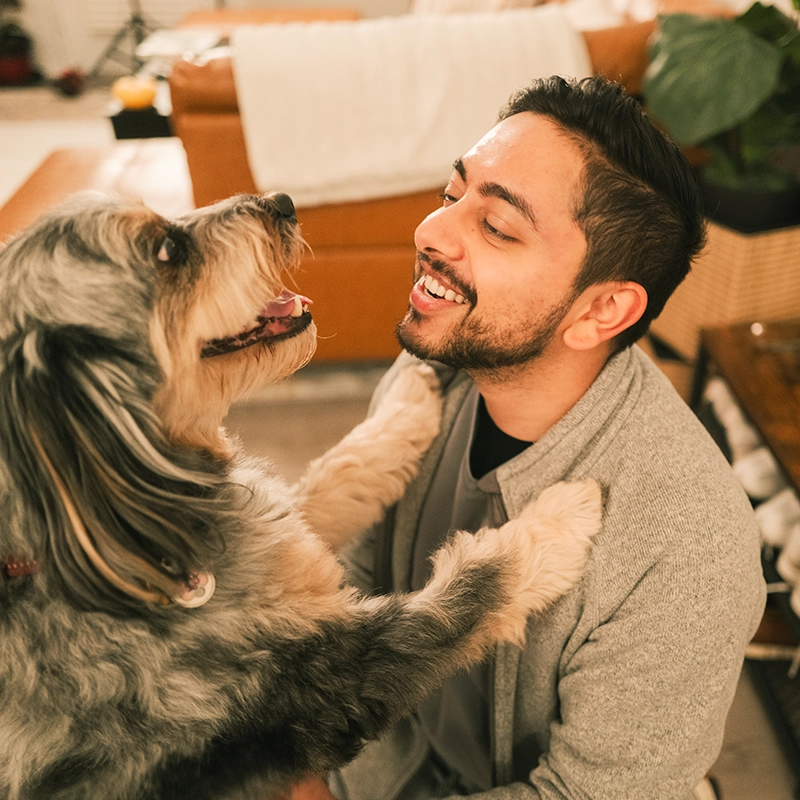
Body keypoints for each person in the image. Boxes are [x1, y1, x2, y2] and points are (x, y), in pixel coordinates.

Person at [294, 75, 766, 800]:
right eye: (454, 195)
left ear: (602, 309)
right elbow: (357, 579)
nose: (430, 233)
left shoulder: (688, 542)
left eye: (497, 228)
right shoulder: (437, 365)